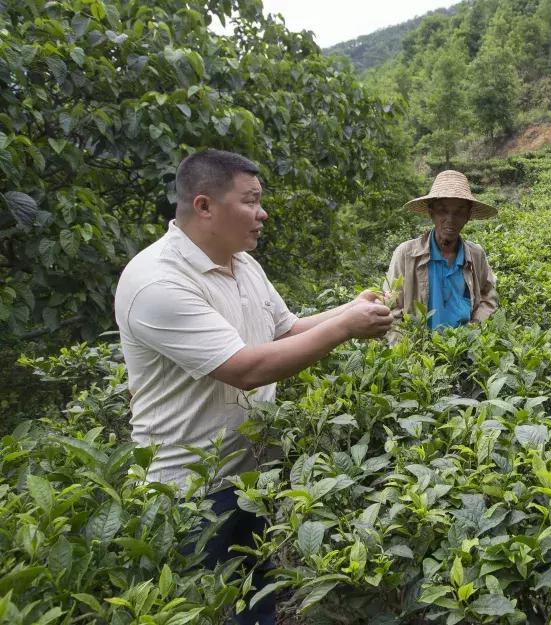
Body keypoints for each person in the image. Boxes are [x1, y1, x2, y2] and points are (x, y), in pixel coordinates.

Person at [114, 149, 394, 624]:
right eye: (251, 201)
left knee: (259, 601)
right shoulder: (157, 282)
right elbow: (244, 368)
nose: (263, 213)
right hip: (189, 492)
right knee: (216, 608)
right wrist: (346, 327)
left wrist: (349, 310)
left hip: (251, 476)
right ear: (204, 206)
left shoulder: (242, 263)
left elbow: (285, 331)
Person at [384, 170, 498, 333]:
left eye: (459, 212)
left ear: (467, 216)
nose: (450, 219)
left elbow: (489, 297)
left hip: (463, 350)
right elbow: (391, 309)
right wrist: (407, 351)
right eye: (442, 210)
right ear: (431, 213)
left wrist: (475, 328)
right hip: (419, 351)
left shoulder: (476, 255)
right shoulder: (406, 254)